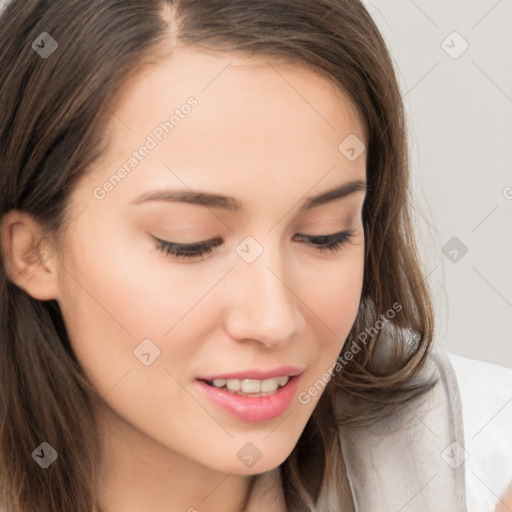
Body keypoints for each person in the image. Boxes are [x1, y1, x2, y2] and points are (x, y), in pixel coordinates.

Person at [0, 1, 468, 511]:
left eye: (323, 235)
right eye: (189, 243)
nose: (273, 321)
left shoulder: (475, 462)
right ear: (33, 252)